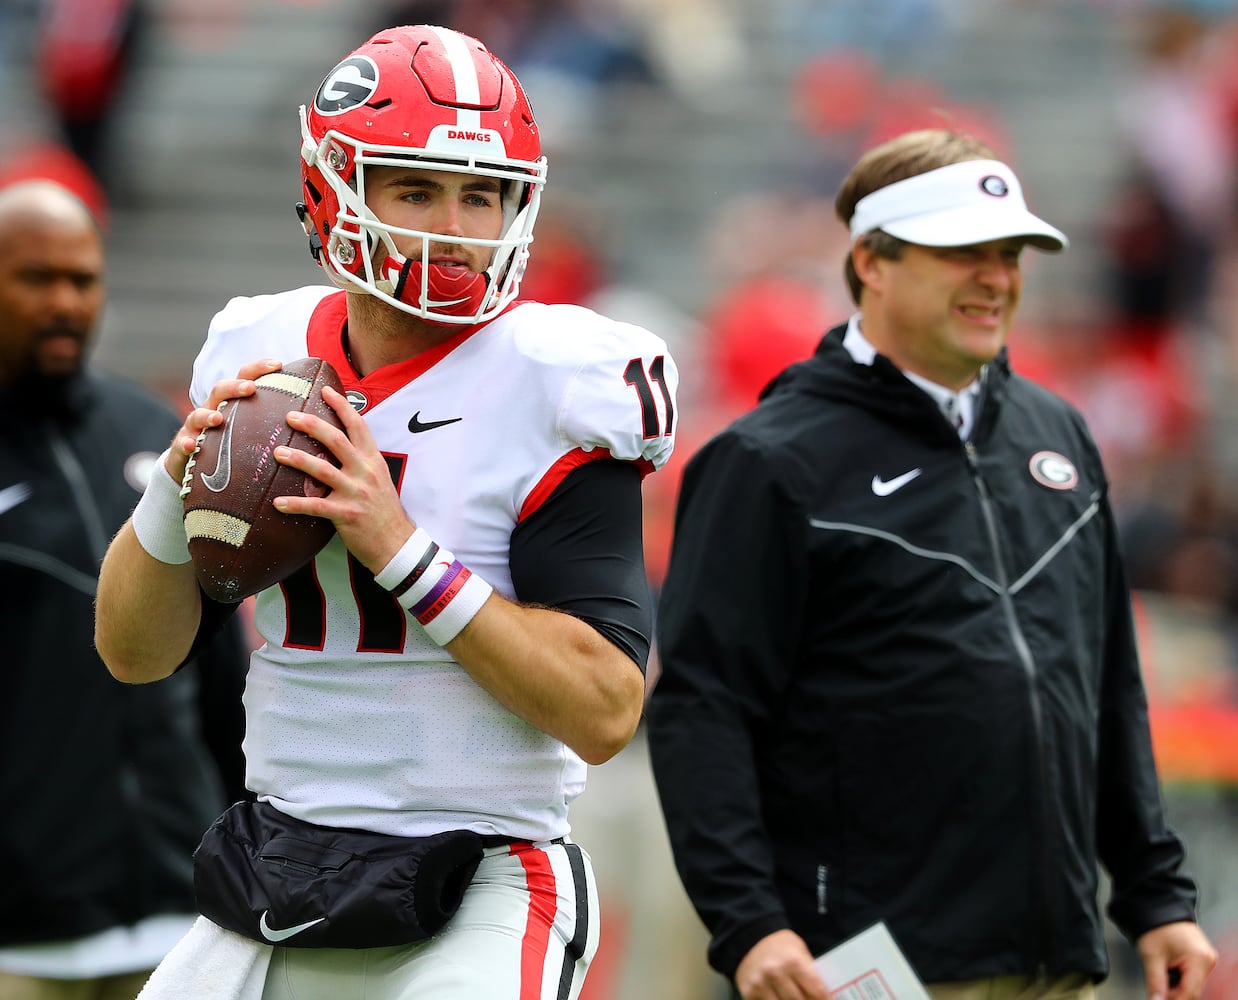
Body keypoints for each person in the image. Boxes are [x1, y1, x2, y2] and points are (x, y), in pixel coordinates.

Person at [93, 23, 677, 1000]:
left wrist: (401, 548)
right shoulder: (257, 345)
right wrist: (175, 482)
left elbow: (606, 707)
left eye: (481, 194)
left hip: (485, 874)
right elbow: (132, 652)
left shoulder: (554, 380)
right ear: (336, 189)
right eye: (416, 187)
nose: (455, 224)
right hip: (281, 861)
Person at [646, 128, 1218, 1000]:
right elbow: (703, 710)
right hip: (865, 968)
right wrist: (750, 921)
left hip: (1055, 954)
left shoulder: (1056, 436)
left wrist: (1154, 895)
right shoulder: (770, 461)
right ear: (872, 262)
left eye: (1010, 253)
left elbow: (1106, 685)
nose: (997, 277)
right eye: (963, 253)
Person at [0, 179, 249, 1000]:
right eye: (37, 279)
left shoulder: (151, 432)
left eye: (84, 279)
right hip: (25, 938)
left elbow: (220, 667)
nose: (66, 302)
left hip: (181, 917)